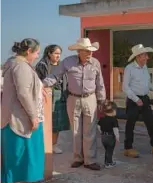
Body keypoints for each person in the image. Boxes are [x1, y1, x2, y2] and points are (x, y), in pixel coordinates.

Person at [43, 38, 106, 171]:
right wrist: (41, 85)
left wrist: (101, 99)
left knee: (90, 131)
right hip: (73, 99)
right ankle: (78, 158)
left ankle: (90, 160)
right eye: (86, 51)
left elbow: (100, 83)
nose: (89, 53)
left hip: (91, 98)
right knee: (76, 130)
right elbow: (55, 76)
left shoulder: (95, 63)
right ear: (79, 51)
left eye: (91, 51)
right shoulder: (68, 62)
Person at [1, 39, 44, 183]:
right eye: (37, 52)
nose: (38, 55)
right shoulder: (21, 66)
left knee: (19, 155)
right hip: (19, 120)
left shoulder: (13, 63)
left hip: (14, 118)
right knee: (21, 155)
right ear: (28, 52)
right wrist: (33, 116)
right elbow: (24, 93)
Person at [122, 44, 153, 158]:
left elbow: (147, 84)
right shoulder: (129, 68)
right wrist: (136, 99)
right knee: (130, 125)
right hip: (134, 100)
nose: (147, 57)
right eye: (145, 55)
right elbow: (125, 87)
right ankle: (128, 148)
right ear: (138, 57)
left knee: (151, 123)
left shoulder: (145, 67)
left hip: (145, 99)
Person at [35, 44, 70, 154]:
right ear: (49, 53)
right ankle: (45, 144)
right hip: (48, 94)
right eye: (56, 53)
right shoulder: (42, 65)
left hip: (61, 95)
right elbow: (40, 82)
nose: (58, 56)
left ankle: (54, 144)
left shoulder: (61, 65)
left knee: (58, 123)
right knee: (47, 121)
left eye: (59, 53)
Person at [97, 100, 120, 169]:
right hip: (110, 137)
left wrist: (101, 132)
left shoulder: (102, 118)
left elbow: (98, 126)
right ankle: (108, 163)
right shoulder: (114, 120)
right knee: (110, 151)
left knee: (107, 150)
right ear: (113, 111)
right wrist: (117, 137)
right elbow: (115, 129)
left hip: (103, 137)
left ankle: (106, 162)